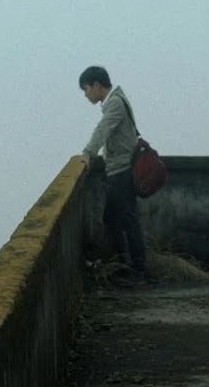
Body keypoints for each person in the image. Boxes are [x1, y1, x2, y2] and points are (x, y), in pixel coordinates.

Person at [77, 65, 150, 284]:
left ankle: (137, 271)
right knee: (113, 220)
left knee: (128, 221)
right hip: (118, 170)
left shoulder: (115, 103)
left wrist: (88, 152)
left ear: (97, 85)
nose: (86, 94)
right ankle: (125, 265)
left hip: (122, 171)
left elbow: (103, 130)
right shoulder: (115, 100)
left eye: (86, 89)